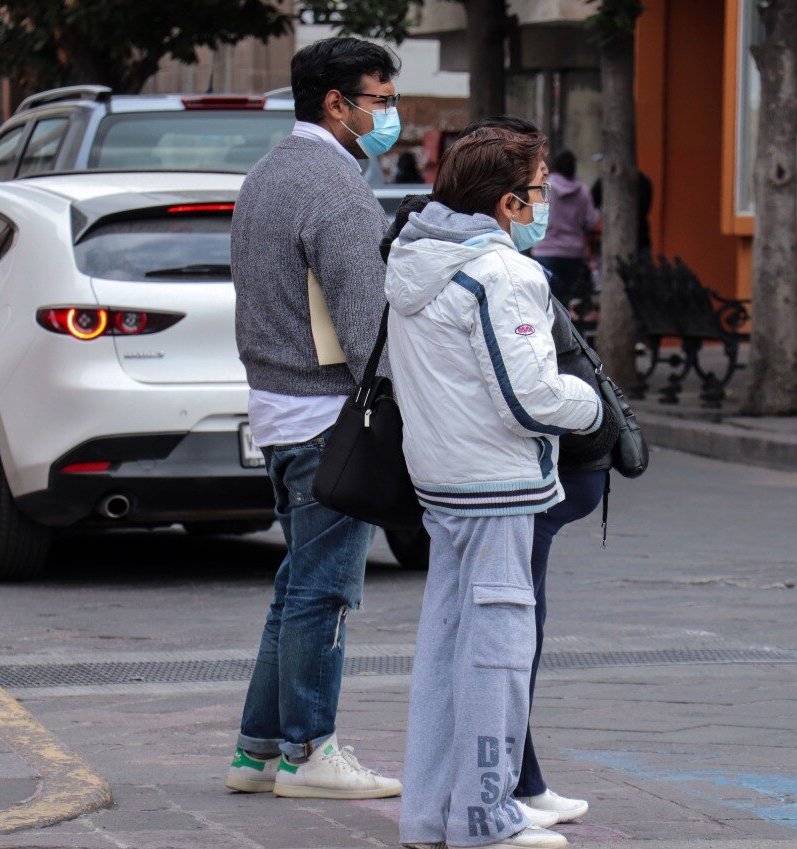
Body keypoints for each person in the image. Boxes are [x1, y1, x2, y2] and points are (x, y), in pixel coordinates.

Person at [381, 119, 617, 831]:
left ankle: (432, 817)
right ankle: (485, 817)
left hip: (441, 480)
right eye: (538, 190)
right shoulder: (503, 274)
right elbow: (532, 397)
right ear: (508, 203)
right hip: (496, 486)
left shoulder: (413, 259)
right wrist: (592, 404)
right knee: (497, 656)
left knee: (446, 656)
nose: (544, 203)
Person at [225, 36, 404, 801]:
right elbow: (367, 329)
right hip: (329, 416)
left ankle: (258, 751)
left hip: (277, 409)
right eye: (382, 100)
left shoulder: (266, 175)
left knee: (297, 584)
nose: (390, 115)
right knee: (323, 592)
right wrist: (399, 411)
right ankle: (308, 751)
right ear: (337, 103)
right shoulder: (336, 190)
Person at [532, 150, 598, 307]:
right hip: (573, 253)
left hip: (545, 250)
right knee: (569, 302)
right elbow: (591, 221)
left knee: (546, 302)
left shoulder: (545, 187)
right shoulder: (583, 190)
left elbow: (532, 213)